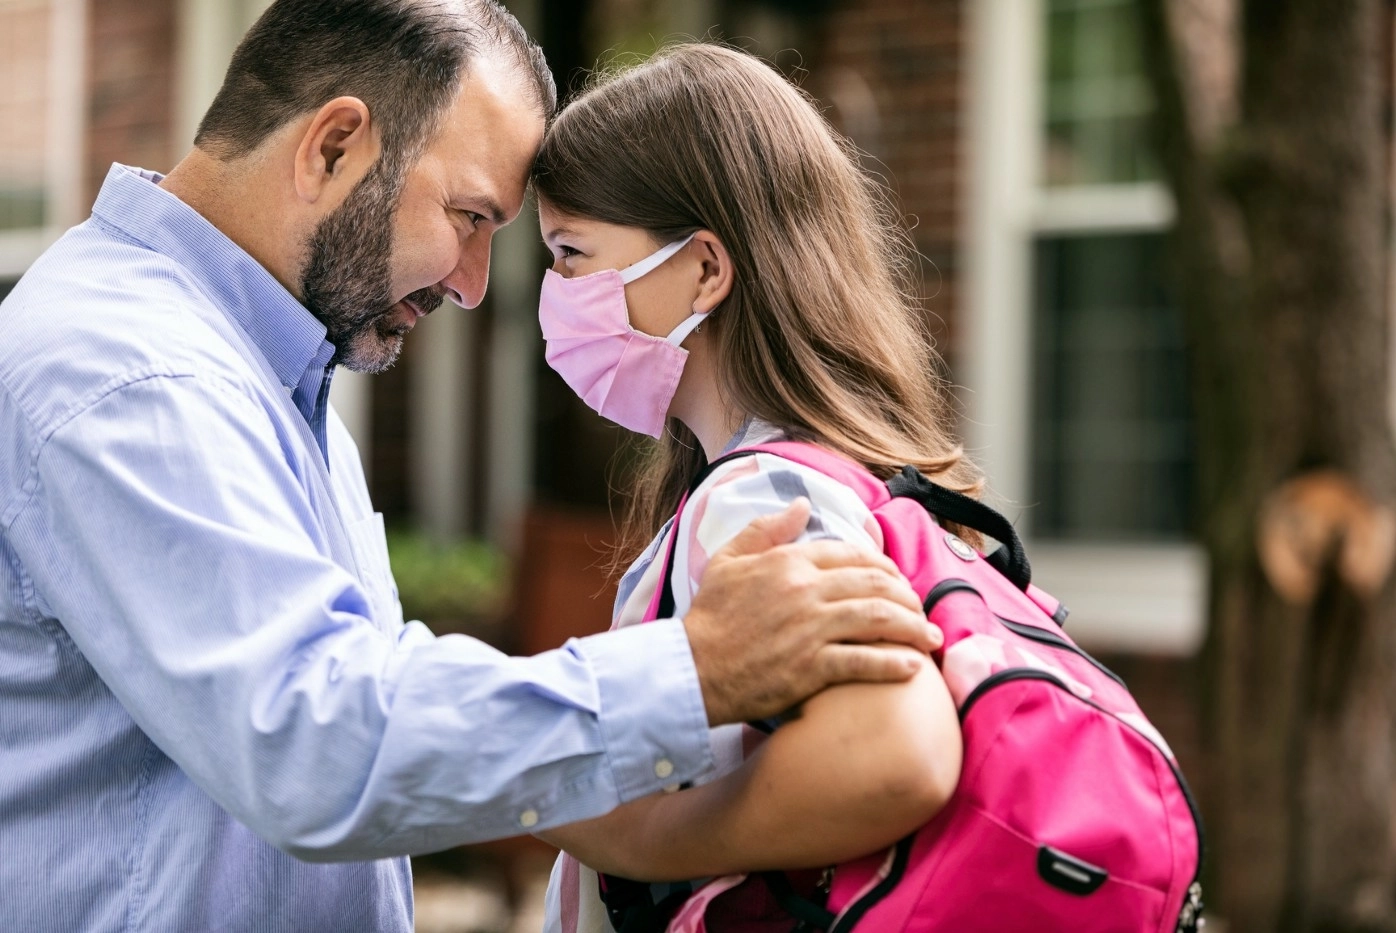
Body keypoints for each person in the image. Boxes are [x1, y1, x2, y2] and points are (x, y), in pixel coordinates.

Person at [0, 4, 941, 931]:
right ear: (332, 147)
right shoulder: (134, 374)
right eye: (469, 216)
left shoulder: (266, 381)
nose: (475, 283)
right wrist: (692, 672)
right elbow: (316, 738)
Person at [529, 43, 975, 932]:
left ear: (705, 268)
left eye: (571, 252)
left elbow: (892, 756)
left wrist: (634, 836)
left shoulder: (763, 497)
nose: (553, 290)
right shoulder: (848, 476)